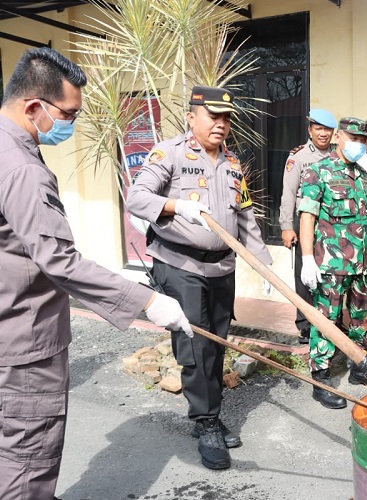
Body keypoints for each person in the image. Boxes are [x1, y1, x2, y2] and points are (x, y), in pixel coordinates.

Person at [0, 47, 192, 498]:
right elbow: (58, 260)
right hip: (24, 342)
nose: (71, 124)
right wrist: (147, 301)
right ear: (34, 107)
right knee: (28, 461)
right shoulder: (22, 168)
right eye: (68, 114)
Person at [128, 85, 273, 470]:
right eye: (213, 116)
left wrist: (264, 264)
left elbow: (245, 217)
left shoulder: (232, 164)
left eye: (226, 118)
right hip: (181, 266)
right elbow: (137, 198)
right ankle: (206, 423)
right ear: (192, 116)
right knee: (195, 345)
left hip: (221, 268)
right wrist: (177, 206)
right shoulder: (169, 154)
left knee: (217, 343)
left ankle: (209, 414)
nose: (221, 125)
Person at [297, 117, 367, 409]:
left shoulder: (363, 175)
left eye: (362, 140)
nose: (358, 144)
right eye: (352, 138)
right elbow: (306, 217)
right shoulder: (317, 172)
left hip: (363, 263)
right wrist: (307, 259)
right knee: (326, 318)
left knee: (362, 317)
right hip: (331, 263)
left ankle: (359, 366)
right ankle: (321, 378)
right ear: (338, 138)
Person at [279, 109, 336, 344]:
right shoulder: (299, 157)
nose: (323, 134)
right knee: (305, 277)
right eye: (319, 129)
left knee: (329, 275)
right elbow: (288, 194)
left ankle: (328, 321)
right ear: (310, 130)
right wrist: (286, 226)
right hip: (306, 226)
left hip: (332, 228)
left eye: (327, 130)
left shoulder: (337, 154)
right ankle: (304, 325)